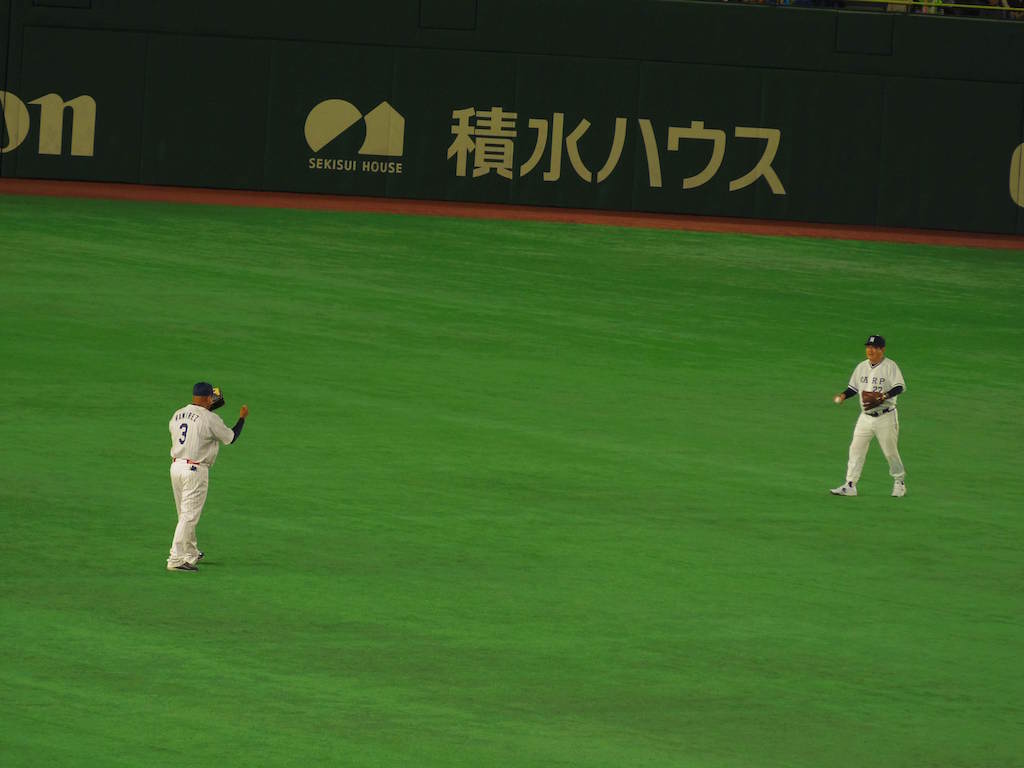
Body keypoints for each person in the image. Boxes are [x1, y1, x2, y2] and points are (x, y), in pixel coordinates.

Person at [167, 382, 249, 571]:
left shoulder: (177, 414)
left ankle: (191, 552)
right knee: (189, 516)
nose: (214, 399)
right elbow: (231, 437)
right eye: (211, 396)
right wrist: (242, 418)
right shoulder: (210, 418)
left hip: (176, 467)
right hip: (194, 471)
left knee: (184, 514)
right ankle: (175, 559)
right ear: (206, 398)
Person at [830, 335, 907, 497]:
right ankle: (850, 485)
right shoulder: (861, 367)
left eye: (874, 347)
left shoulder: (890, 366)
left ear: (882, 349)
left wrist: (884, 396)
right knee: (855, 449)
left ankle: (899, 482)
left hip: (886, 416)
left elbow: (899, 387)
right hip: (865, 417)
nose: (870, 350)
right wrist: (843, 395)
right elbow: (853, 388)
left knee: (890, 452)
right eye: (868, 347)